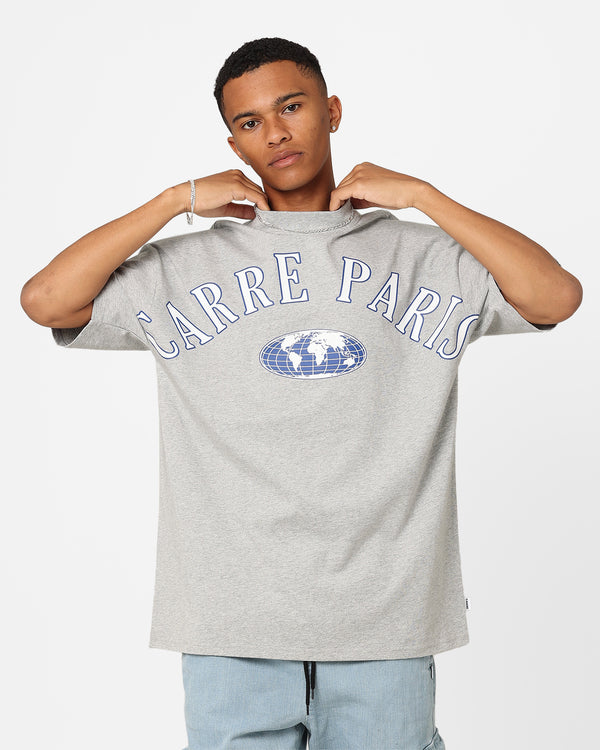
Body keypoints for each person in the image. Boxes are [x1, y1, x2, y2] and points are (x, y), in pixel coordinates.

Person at [21, 36, 582, 750]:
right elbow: (46, 301)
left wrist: (423, 197)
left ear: (332, 111)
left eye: (291, 107)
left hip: (387, 623)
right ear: (234, 144)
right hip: (231, 627)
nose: (277, 132)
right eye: (251, 122)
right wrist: (172, 202)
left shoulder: (421, 257)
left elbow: (556, 296)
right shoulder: (185, 266)